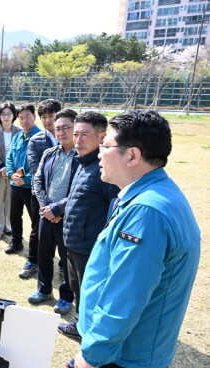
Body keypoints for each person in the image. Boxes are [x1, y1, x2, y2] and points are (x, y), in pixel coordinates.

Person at [68, 110, 200, 368]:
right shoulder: (152, 195)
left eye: (105, 145)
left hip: (123, 356)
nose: (98, 154)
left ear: (132, 155)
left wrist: (90, 357)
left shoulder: (147, 212)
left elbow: (125, 297)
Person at [58, 111, 119, 340]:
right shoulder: (82, 162)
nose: (78, 140)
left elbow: (115, 212)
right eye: (76, 134)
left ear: (102, 137)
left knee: (91, 291)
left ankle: (89, 331)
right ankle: (80, 323)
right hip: (73, 242)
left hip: (90, 246)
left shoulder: (105, 169)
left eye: (85, 134)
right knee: (77, 287)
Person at [28, 109, 78, 315]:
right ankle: (44, 290)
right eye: (58, 129)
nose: (62, 132)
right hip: (47, 214)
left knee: (67, 259)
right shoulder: (50, 153)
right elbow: (37, 181)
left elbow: (80, 191)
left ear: (76, 128)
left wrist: (58, 209)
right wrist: (47, 207)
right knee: (43, 254)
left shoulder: (82, 157)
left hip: (68, 217)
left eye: (66, 127)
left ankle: (67, 297)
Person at [22, 98, 62, 278]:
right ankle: (33, 260)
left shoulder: (71, 138)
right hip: (40, 195)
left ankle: (63, 265)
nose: (48, 120)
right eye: (44, 117)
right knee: (37, 229)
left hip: (64, 197)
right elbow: (36, 170)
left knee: (64, 233)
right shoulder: (36, 140)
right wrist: (47, 203)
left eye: (51, 116)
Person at [5, 104, 41, 255]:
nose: (24, 120)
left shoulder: (41, 137)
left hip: (31, 187)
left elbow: (41, 166)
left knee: (35, 219)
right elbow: (10, 158)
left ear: (34, 116)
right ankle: (16, 242)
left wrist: (25, 180)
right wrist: (11, 173)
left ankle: (37, 249)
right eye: (21, 118)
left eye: (27, 116)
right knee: (14, 215)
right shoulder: (18, 136)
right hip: (15, 184)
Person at [0, 102, 21, 241]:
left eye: (9, 113)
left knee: (10, 202)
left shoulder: (19, 132)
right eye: (3, 114)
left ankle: (8, 227)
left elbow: (20, 153)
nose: (6, 117)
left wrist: (11, 170)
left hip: (13, 174)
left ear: (14, 115)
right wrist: (2, 168)